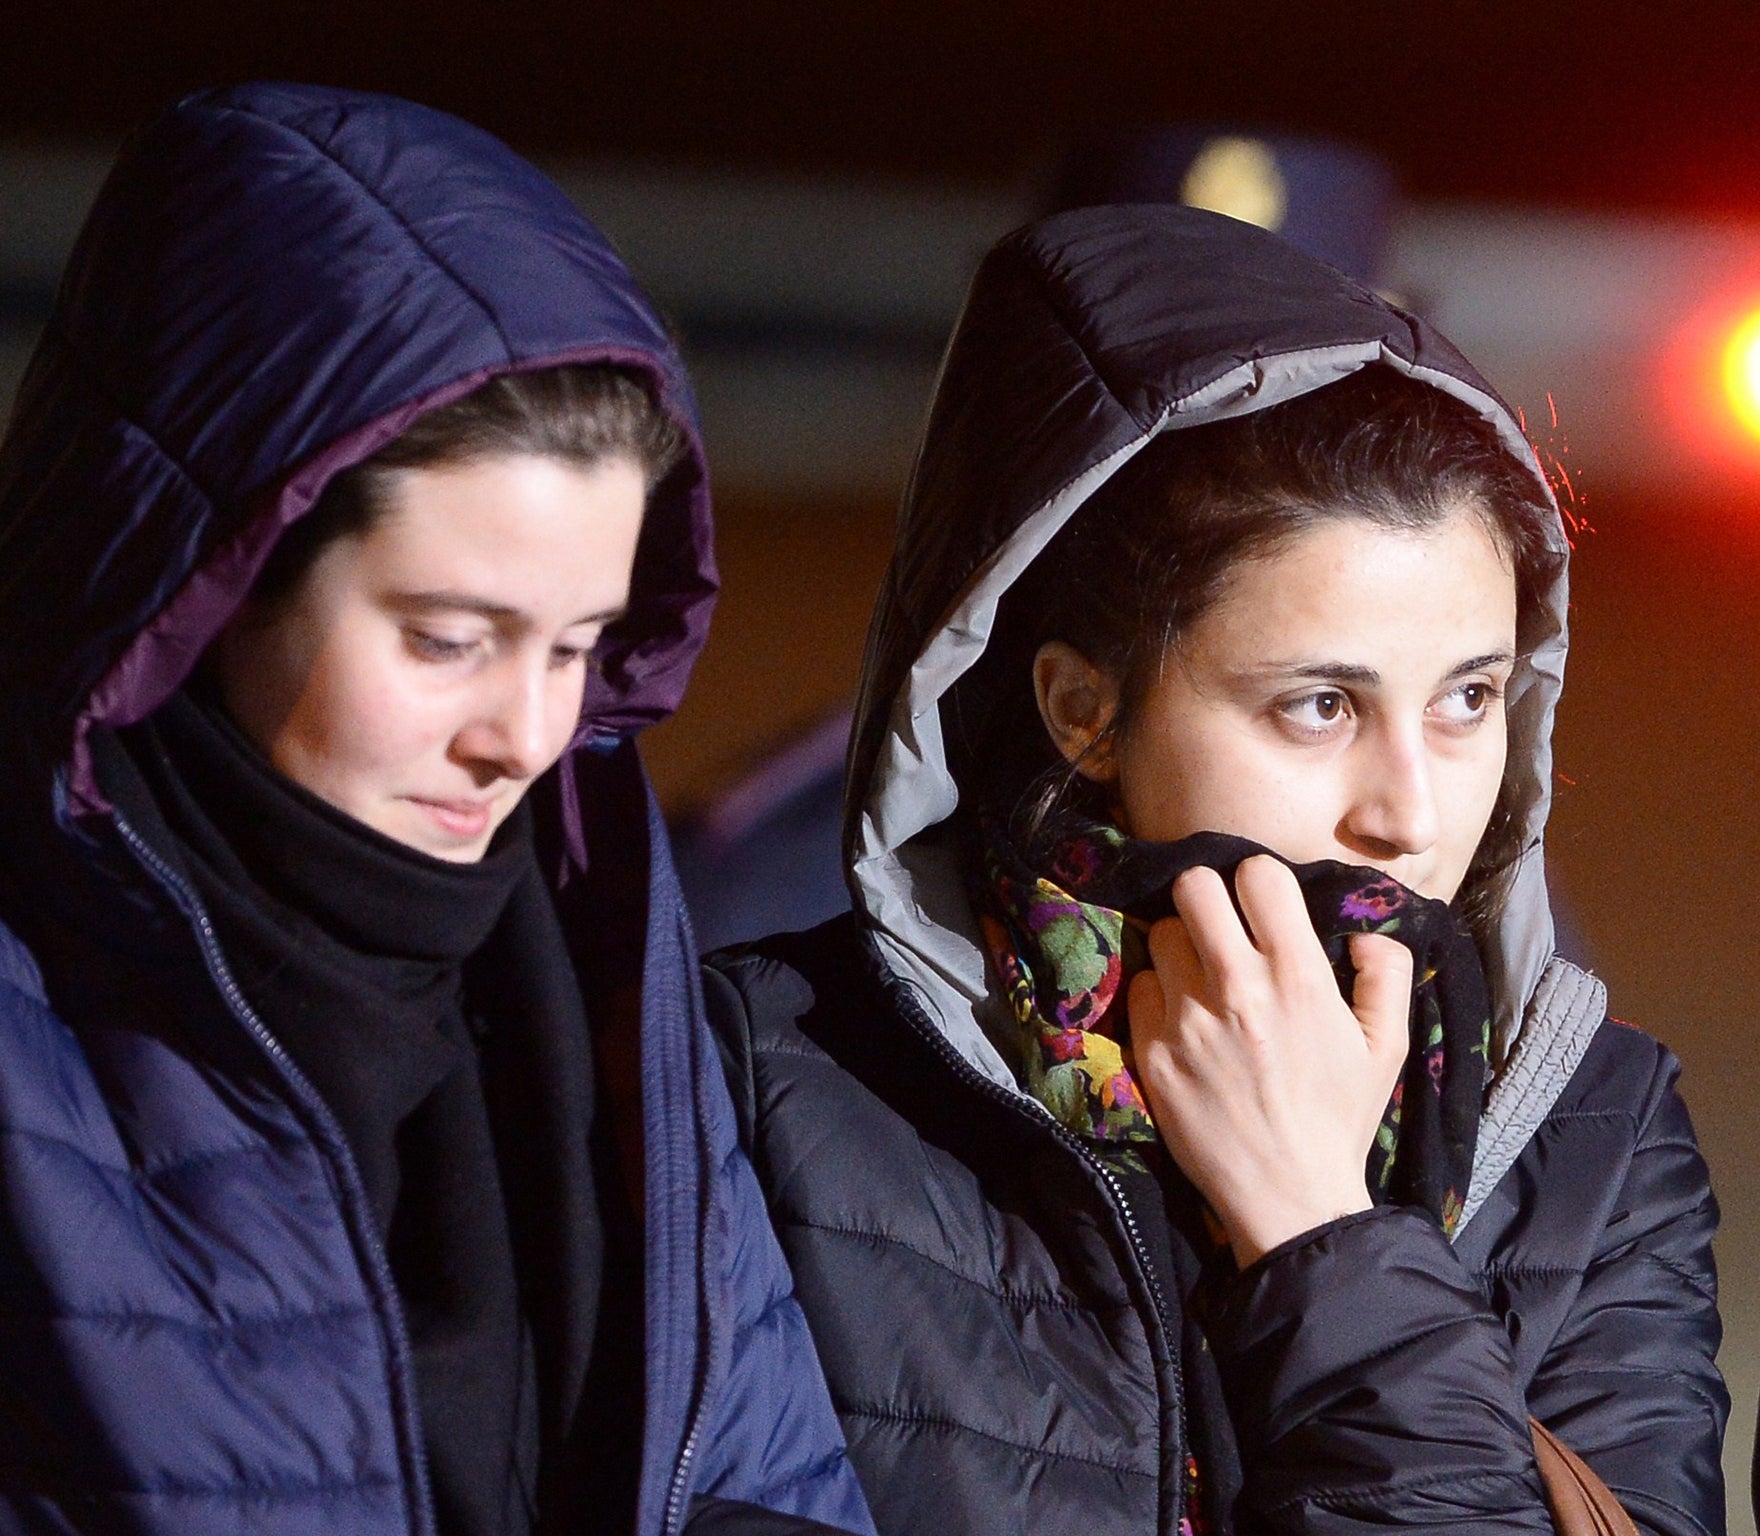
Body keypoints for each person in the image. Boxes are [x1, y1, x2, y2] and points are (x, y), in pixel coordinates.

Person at [0, 84, 873, 1536]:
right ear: (204, 588)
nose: (523, 737)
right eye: (448, 639)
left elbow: (775, 1489)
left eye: (579, 648)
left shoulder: (607, 977)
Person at [702, 204, 1727, 1536]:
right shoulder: (764, 1083)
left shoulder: (1594, 1134)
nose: (1411, 808)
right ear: (1085, 710)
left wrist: (1320, 1239)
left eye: (1470, 698)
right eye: (1318, 706)